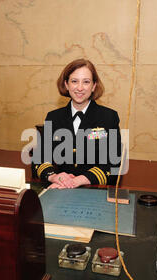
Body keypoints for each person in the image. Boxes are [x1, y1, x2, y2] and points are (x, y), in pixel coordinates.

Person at [32, 59, 122, 189]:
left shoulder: (109, 117)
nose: (80, 88)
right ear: (66, 85)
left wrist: (79, 180)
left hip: (94, 191)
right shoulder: (53, 117)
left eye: (86, 82)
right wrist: (53, 177)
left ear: (94, 86)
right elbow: (40, 158)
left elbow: (114, 164)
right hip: (59, 188)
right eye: (74, 81)